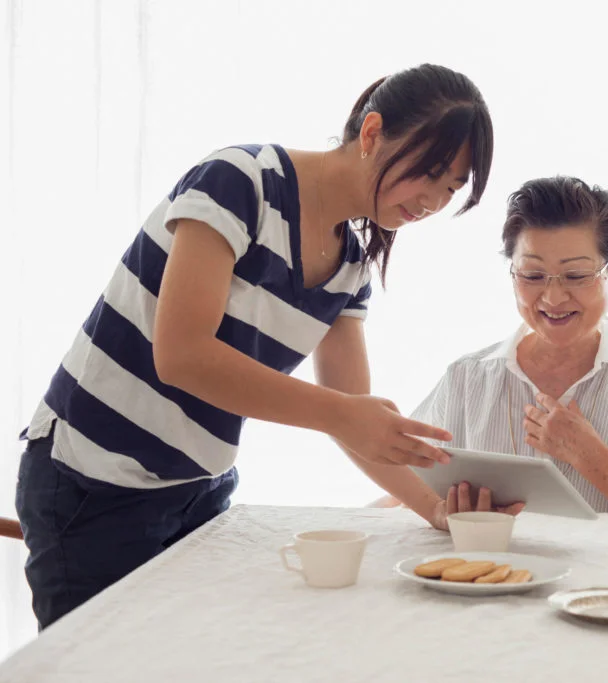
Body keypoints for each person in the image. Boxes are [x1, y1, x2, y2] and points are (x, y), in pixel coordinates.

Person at [14, 63, 494, 629]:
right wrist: (345, 414)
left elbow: (352, 417)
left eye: (452, 187)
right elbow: (183, 355)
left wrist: (434, 507)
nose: (434, 200)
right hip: (93, 477)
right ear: (371, 134)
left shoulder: (350, 266)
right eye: (431, 171)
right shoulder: (241, 181)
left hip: (198, 490)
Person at [371, 176, 608, 522]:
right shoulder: (466, 378)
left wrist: (591, 458)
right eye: (532, 276)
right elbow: (405, 483)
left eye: (576, 275)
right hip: (489, 573)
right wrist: (447, 510)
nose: (553, 298)